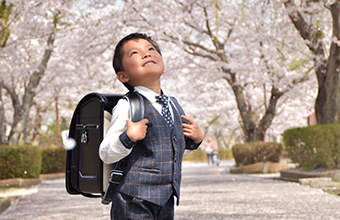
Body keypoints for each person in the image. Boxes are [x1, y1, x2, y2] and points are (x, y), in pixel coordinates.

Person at [99, 33, 204, 220]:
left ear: (163, 66)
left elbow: (168, 152)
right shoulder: (129, 105)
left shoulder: (173, 104)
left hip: (166, 199)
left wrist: (194, 141)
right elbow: (105, 153)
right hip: (133, 199)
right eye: (134, 53)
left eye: (151, 50)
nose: (146, 54)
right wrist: (128, 138)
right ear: (123, 76)